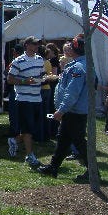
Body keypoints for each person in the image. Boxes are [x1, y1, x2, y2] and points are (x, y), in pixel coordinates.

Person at [38, 35, 90, 180]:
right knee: (63, 140)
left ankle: (93, 171)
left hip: (74, 111)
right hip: (72, 111)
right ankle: (53, 166)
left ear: (74, 50)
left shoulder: (78, 67)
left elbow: (72, 92)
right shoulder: (79, 64)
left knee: (79, 142)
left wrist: (61, 110)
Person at [6, 36, 45, 168]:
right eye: (34, 44)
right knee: (28, 129)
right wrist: (24, 81)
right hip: (24, 99)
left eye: (38, 45)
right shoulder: (18, 61)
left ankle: (14, 140)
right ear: (27, 45)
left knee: (32, 128)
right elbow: (10, 79)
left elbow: (41, 76)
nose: (36, 47)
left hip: (37, 98)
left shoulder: (40, 59)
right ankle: (29, 155)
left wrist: (45, 78)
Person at [6, 43, 24, 142]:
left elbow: (7, 72)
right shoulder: (26, 61)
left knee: (14, 112)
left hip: (15, 88)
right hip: (23, 89)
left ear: (15, 52)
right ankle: (19, 132)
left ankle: (14, 132)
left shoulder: (15, 62)